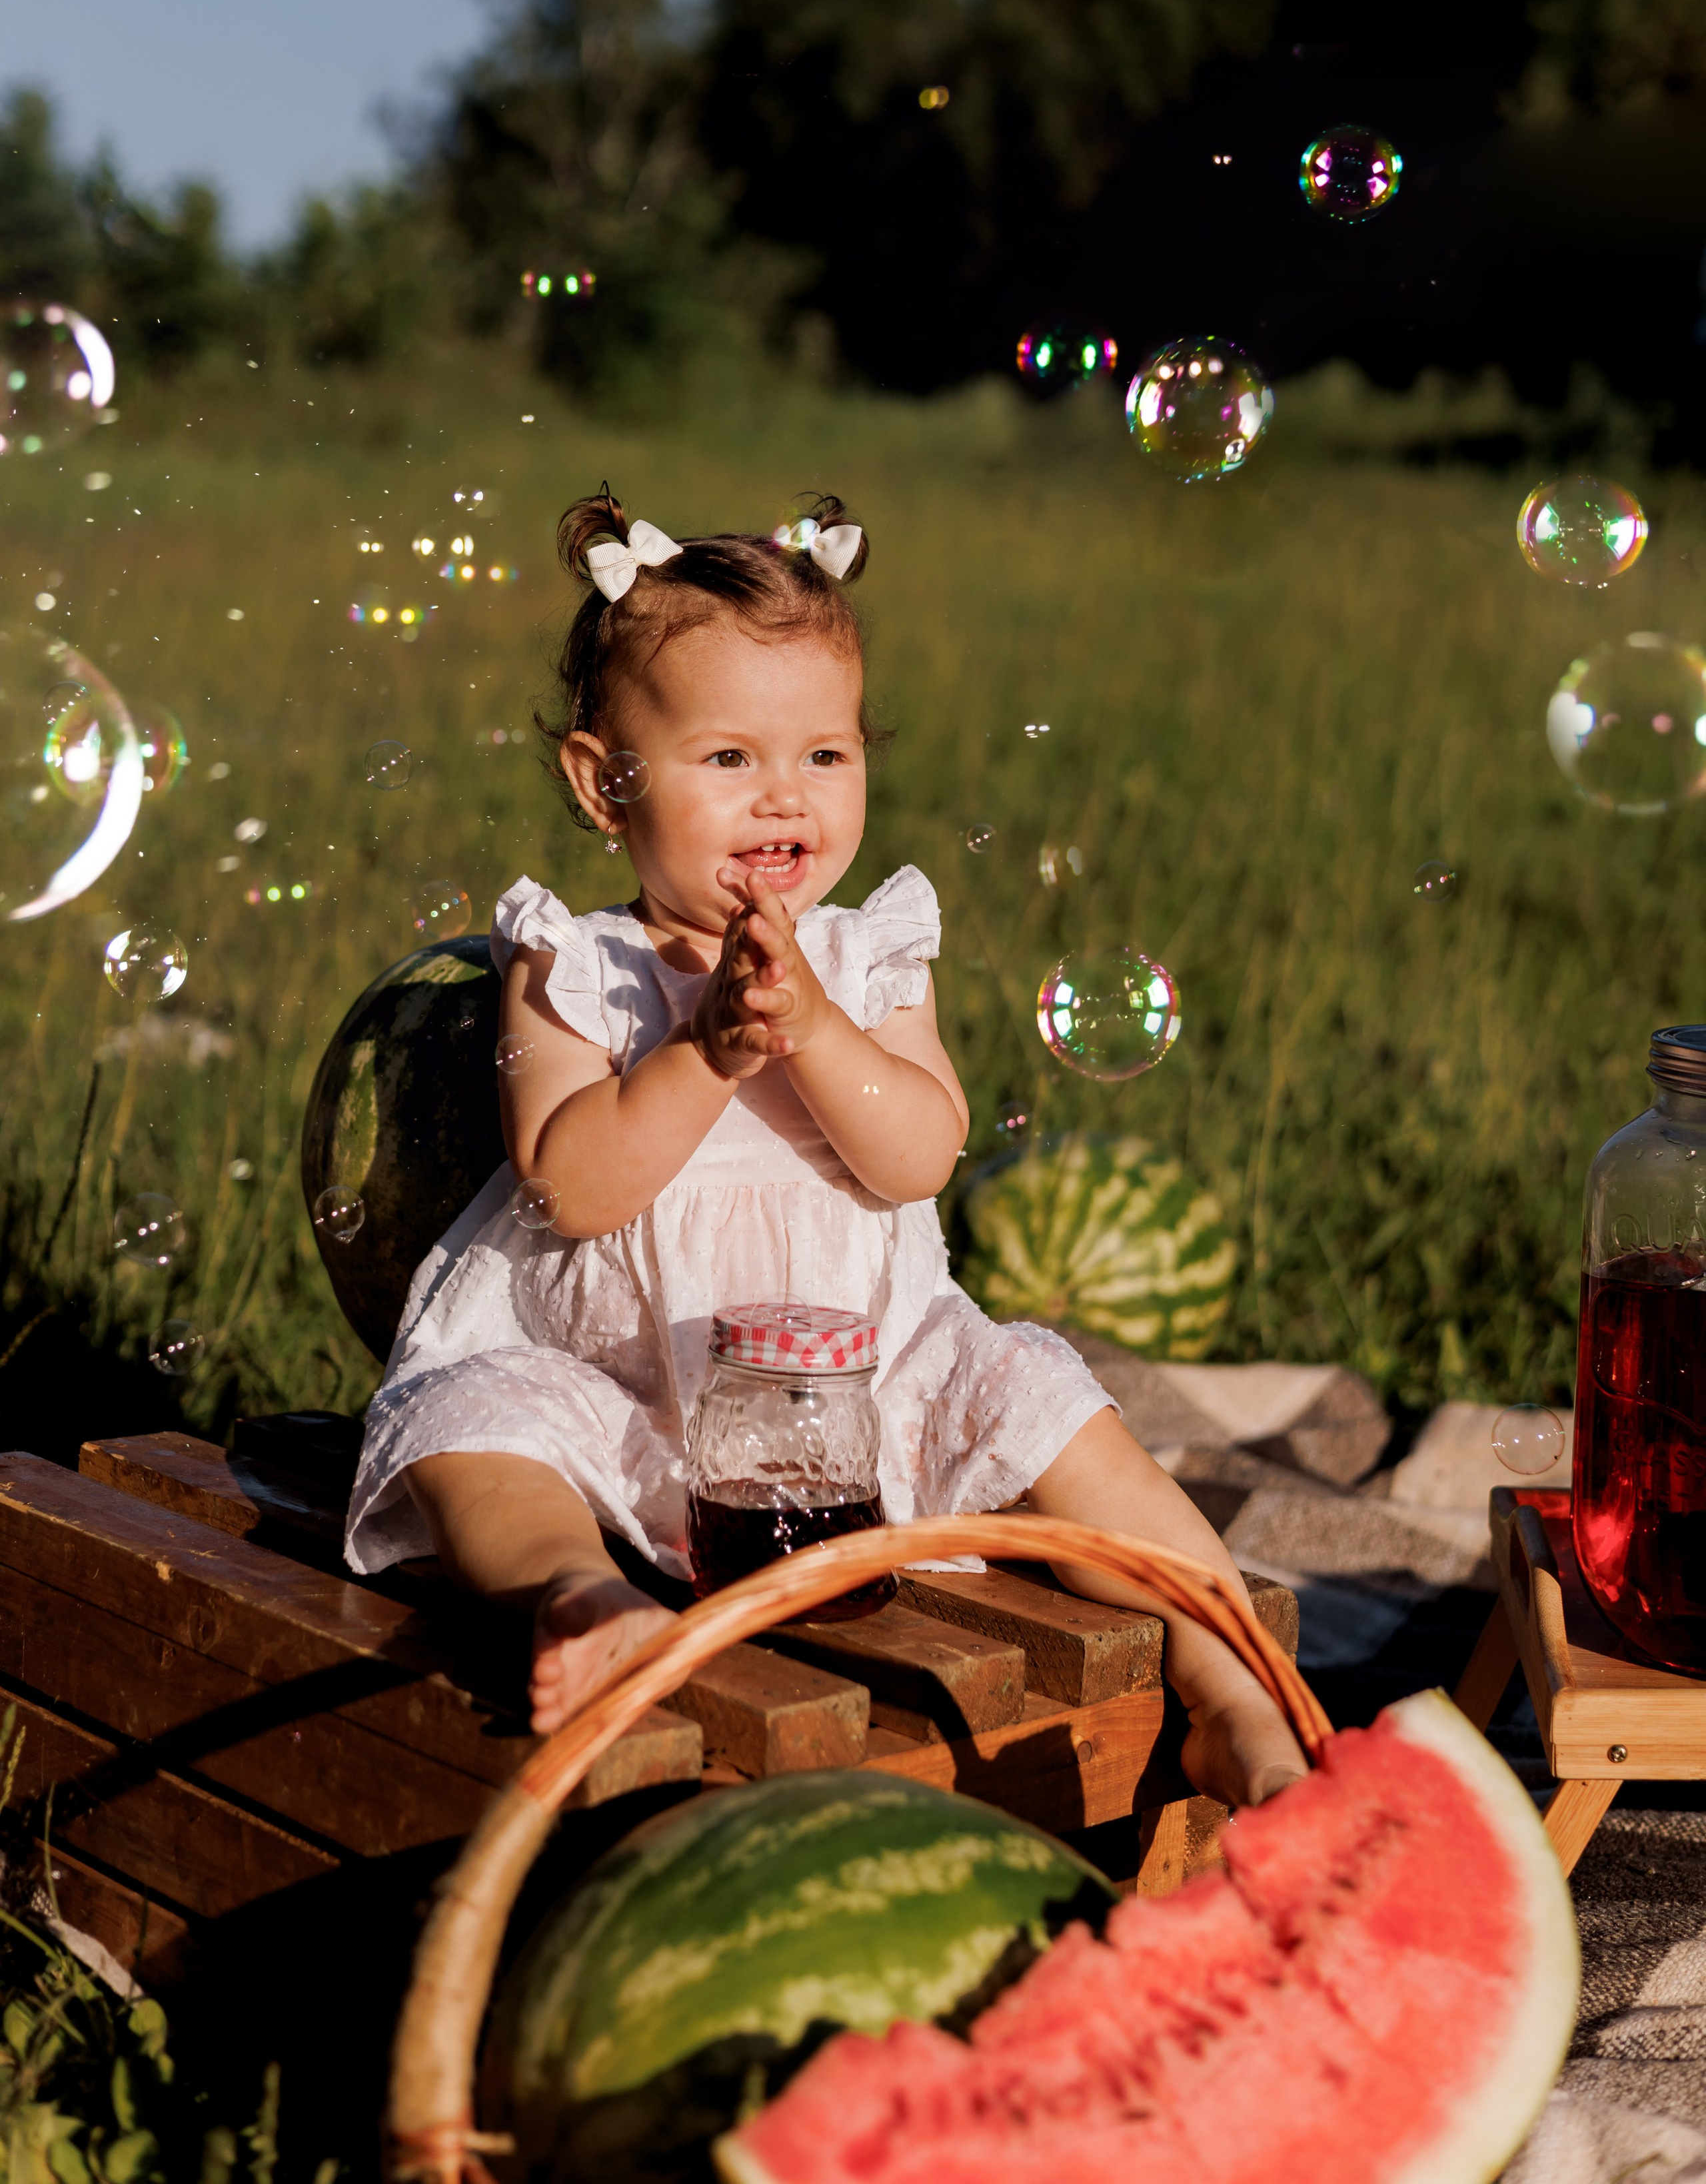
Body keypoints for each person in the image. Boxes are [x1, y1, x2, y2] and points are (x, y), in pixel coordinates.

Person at [345, 492, 1305, 1807]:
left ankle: (1230, 1686)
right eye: (727, 759)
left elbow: (917, 1154)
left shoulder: (866, 952)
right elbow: (568, 1184)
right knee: (472, 1427)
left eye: (826, 757)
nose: (781, 797)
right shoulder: (574, 966)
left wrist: (814, 1029)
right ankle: (574, 1599)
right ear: (599, 779)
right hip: (623, 1396)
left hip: (869, 1384)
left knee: (1057, 1413)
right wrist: (705, 1057)